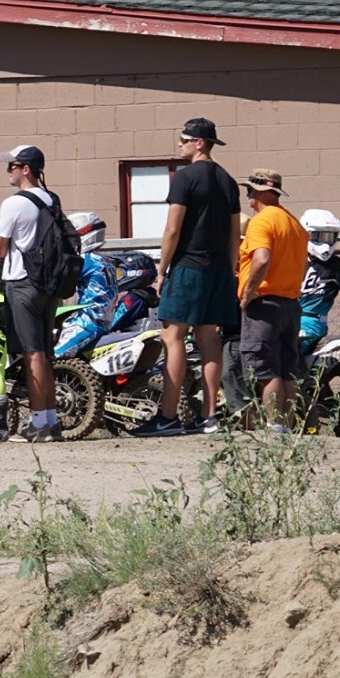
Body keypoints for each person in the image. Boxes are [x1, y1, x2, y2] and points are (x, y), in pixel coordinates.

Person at [131, 118, 240, 438]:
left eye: (184, 139)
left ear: (200, 143)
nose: (179, 144)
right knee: (209, 339)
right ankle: (209, 417)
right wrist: (230, 270)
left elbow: (173, 228)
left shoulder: (185, 177)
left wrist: (161, 270)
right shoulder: (228, 180)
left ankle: (167, 417)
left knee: (172, 336)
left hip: (189, 267)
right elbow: (235, 234)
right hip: (220, 268)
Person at [0, 145, 65, 443]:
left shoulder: (13, 204)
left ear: (26, 169)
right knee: (45, 354)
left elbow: (0, 248)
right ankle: (51, 421)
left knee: (32, 352)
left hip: (22, 284)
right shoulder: (52, 200)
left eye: (13, 165)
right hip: (49, 285)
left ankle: (38, 423)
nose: (8, 169)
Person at [236, 169, 308, 432]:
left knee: (267, 372)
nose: (249, 197)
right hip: (290, 304)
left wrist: (249, 292)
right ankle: (285, 427)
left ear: (263, 192)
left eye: (251, 191)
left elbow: (262, 258)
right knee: (287, 369)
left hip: (265, 305)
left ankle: (273, 426)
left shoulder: (262, 221)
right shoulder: (294, 223)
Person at [53, 212, 126, 357]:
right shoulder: (106, 261)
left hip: (86, 322)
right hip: (104, 323)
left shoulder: (84, 261)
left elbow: (58, 283)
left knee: (52, 357)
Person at [297, 208, 340, 357]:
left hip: (311, 325)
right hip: (288, 320)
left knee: (284, 361)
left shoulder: (334, 265)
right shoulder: (293, 258)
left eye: (329, 237)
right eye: (319, 236)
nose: (325, 243)